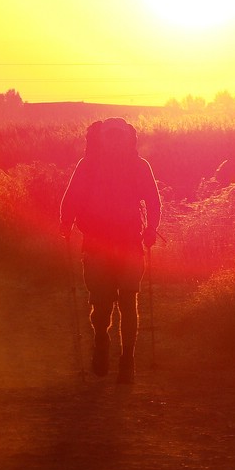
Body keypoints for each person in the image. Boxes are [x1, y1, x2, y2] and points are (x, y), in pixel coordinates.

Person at [60, 118, 162, 384]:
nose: (116, 140)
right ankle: (102, 340)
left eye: (120, 136)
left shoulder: (139, 167)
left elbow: (153, 200)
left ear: (128, 138)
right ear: (103, 138)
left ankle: (127, 360)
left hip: (128, 241)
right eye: (111, 136)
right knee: (101, 304)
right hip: (97, 242)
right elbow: (71, 197)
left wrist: (152, 229)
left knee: (129, 301)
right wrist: (65, 222)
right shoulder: (89, 166)